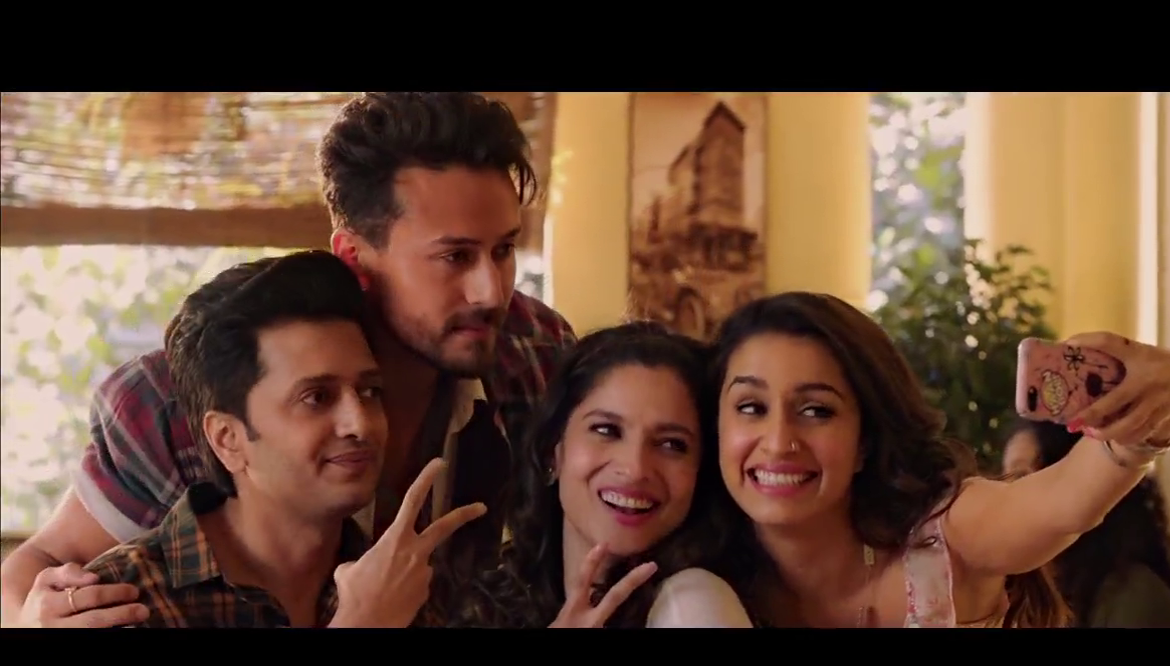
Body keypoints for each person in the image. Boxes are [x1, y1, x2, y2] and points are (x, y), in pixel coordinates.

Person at [1, 92, 575, 628]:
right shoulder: (181, 397)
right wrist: (34, 616)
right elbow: (41, 566)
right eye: (454, 256)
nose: (490, 292)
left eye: (503, 250)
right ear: (354, 255)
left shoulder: (533, 353)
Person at [708, 292, 1170, 628]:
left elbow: (1067, 503)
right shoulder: (699, 576)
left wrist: (1169, 394)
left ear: (865, 440)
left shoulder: (943, 540)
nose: (779, 442)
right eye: (750, 408)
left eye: (817, 410)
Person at [80, 251, 485, 627]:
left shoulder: (398, 589)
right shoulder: (118, 601)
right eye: (316, 398)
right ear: (228, 439)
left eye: (369, 391)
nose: (360, 424)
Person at [455, 322, 752, 628]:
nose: (635, 469)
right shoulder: (493, 601)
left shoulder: (695, 603)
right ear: (551, 453)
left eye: (671, 444)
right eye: (606, 430)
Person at [1002, 419, 1170, 628]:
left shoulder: (1131, 596)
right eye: (1004, 478)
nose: (1006, 495)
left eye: (1020, 476)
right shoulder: (1031, 592)